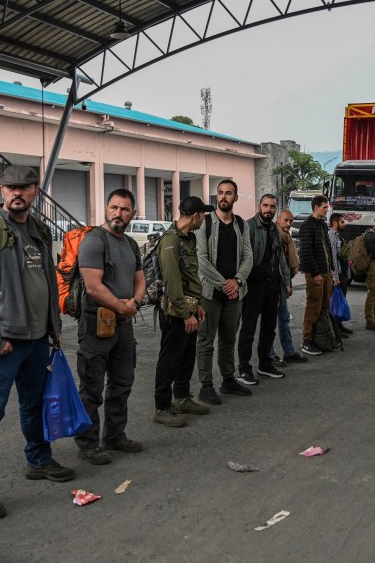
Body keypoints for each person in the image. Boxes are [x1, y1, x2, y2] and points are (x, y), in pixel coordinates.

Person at [0, 165, 72, 522]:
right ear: (2, 191)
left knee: (35, 404)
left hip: (38, 339)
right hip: (4, 344)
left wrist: (54, 327)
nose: (17, 193)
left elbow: (49, 282)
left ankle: (38, 460)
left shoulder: (38, 230)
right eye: (11, 188)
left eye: (24, 187)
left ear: (35, 191)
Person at [73, 189, 149, 467]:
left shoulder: (130, 244)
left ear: (133, 214)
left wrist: (135, 302)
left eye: (125, 209)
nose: (118, 213)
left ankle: (115, 436)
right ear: (106, 209)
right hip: (97, 320)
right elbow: (93, 286)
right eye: (114, 207)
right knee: (92, 385)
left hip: (124, 320)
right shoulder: (94, 241)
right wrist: (121, 306)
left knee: (122, 382)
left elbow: (140, 279)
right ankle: (88, 444)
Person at [154, 196, 212, 427]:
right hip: (175, 311)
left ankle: (182, 397)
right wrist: (185, 314)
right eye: (203, 215)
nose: (204, 219)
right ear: (196, 215)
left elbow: (190, 276)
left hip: (189, 306)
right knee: (170, 359)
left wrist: (197, 305)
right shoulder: (170, 241)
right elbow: (172, 281)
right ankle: (162, 407)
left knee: (186, 356)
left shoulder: (188, 238)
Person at [194, 180, 253, 403]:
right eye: (220, 193)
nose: (223, 197)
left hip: (234, 294)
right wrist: (225, 284)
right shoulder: (205, 222)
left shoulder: (241, 224)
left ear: (235, 198)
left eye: (228, 193)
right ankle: (206, 386)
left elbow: (248, 256)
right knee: (205, 341)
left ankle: (228, 380)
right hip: (210, 293)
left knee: (228, 339)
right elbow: (201, 260)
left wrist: (237, 281)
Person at [237, 194, 290, 382]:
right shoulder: (248, 226)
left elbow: (280, 257)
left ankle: (265, 364)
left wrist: (287, 281)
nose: (269, 209)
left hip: (272, 285)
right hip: (253, 285)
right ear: (259, 206)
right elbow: (241, 256)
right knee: (248, 328)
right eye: (265, 205)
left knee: (269, 327)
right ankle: (244, 369)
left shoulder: (275, 229)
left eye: (272, 206)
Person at [299, 195, 334, 356]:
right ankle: (307, 341)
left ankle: (321, 338)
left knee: (324, 307)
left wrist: (331, 268)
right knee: (313, 307)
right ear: (316, 207)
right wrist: (315, 273)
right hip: (316, 274)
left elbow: (328, 247)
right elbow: (306, 253)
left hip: (325, 273)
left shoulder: (322, 225)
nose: (327, 210)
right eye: (325, 207)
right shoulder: (307, 225)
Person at [274, 210, 308, 363]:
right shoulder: (274, 235)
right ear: (278, 220)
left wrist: (288, 283)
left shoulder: (286, 237)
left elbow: (287, 263)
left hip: (283, 284)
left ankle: (288, 352)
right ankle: (269, 355)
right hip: (273, 284)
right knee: (270, 322)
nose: (288, 224)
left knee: (284, 319)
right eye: (285, 220)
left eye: (291, 221)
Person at [328, 213, 353, 335]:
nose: (344, 224)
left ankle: (339, 325)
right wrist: (335, 277)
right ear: (335, 223)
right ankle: (335, 329)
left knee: (340, 302)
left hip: (342, 274)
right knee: (335, 303)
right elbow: (333, 258)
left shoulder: (338, 236)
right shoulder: (331, 237)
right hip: (337, 275)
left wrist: (347, 273)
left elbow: (343, 257)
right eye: (342, 222)